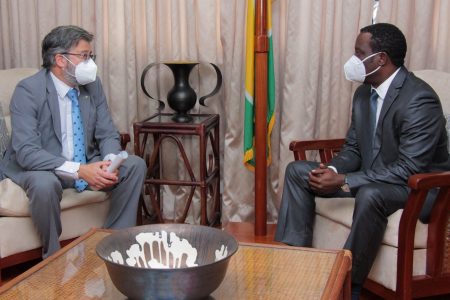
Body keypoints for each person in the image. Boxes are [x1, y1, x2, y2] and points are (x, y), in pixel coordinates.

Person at [275, 23, 450, 299]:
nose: (353, 59)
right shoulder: (363, 94)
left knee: (371, 194)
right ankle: (299, 263)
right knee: (298, 170)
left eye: (359, 53)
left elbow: (410, 168)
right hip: (377, 176)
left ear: (380, 58)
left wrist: (344, 181)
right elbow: (354, 148)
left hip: (419, 188)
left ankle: (348, 285)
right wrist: (331, 170)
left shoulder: (419, 99)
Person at [0, 25, 147, 258]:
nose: (91, 63)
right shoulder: (28, 91)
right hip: (42, 166)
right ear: (60, 60)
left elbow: (107, 132)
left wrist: (110, 162)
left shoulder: (92, 85)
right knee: (44, 184)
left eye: (91, 56)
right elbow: (27, 152)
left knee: (135, 165)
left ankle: (113, 242)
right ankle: (52, 257)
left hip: (85, 161)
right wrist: (80, 171)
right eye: (85, 56)